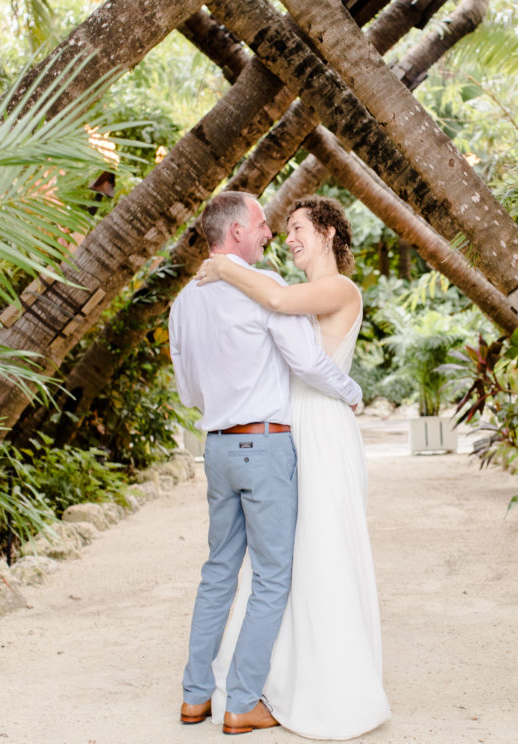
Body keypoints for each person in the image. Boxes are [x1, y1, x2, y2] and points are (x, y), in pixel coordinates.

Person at [195, 195, 391, 740]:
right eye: (285, 231)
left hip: (322, 428)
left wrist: (224, 267)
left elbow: (278, 301)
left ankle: (329, 687)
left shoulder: (340, 289)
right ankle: (270, 679)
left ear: (328, 231)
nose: (289, 238)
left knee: (321, 550)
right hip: (286, 425)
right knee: (282, 560)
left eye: (299, 227)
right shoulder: (297, 289)